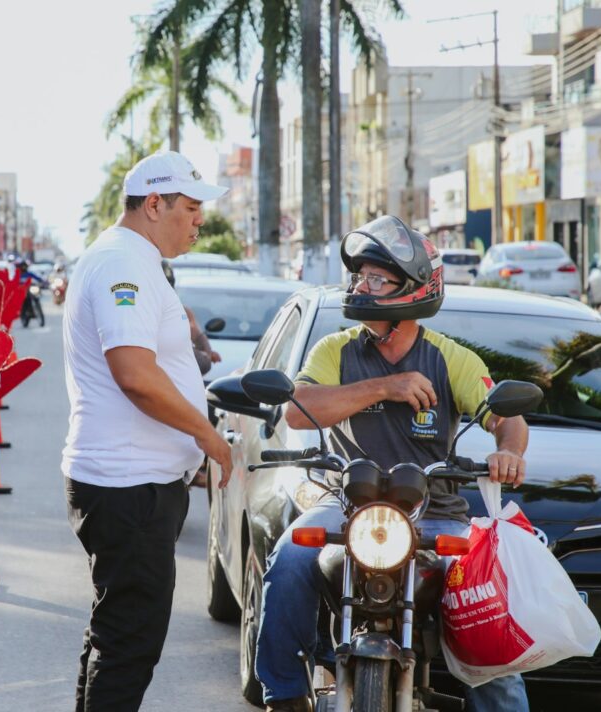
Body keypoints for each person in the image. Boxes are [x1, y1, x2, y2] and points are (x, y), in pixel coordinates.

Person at [255, 216, 531, 712]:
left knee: (486, 600)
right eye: (360, 276)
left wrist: (508, 452)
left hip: (436, 513)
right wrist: (386, 387)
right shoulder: (335, 350)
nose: (361, 286)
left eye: (376, 279)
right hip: (345, 505)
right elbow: (298, 410)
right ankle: (286, 696)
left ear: (412, 289)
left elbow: (507, 417)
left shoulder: (450, 359)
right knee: (290, 558)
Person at [61, 150, 234, 712]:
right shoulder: (123, 264)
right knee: (129, 644)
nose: (199, 220)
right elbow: (135, 375)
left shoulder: (131, 259)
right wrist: (206, 434)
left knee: (114, 634)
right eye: (191, 207)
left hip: (131, 484)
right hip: (129, 486)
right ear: (154, 204)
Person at [161, 259, 221, 376]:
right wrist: (205, 355)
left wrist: (206, 353)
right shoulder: (152, 314)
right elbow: (203, 362)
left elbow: (196, 337)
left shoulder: (179, 311)